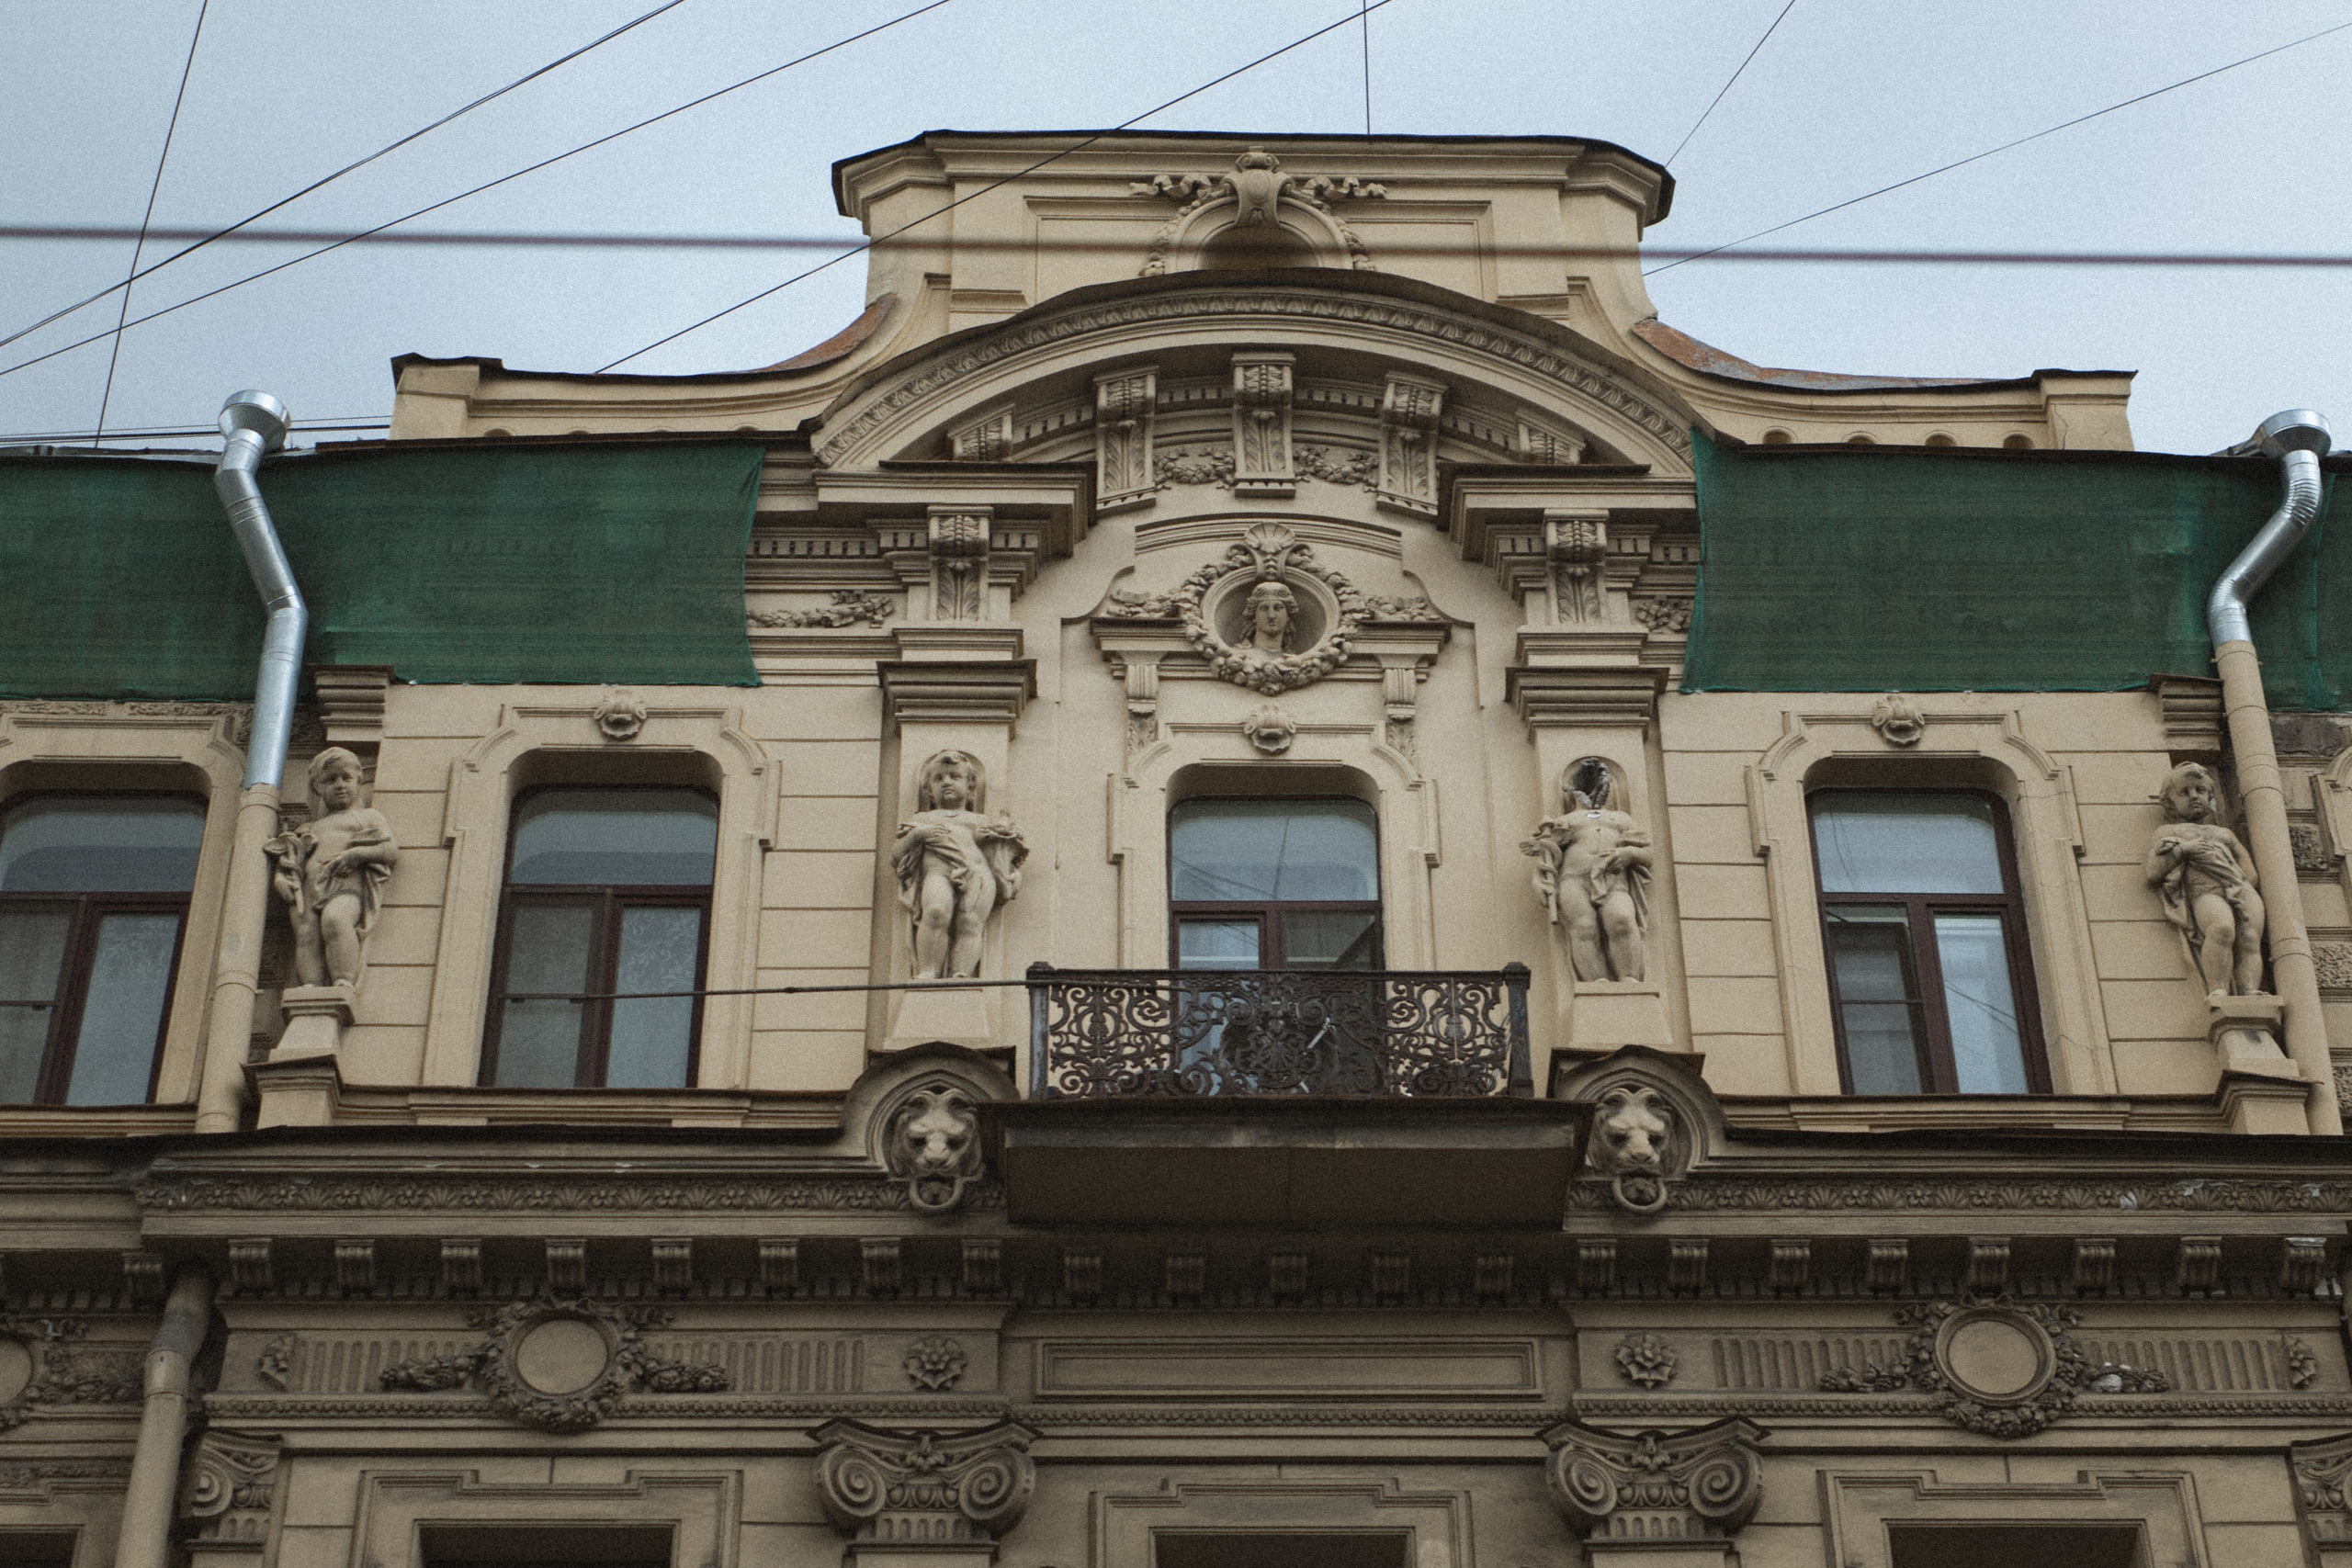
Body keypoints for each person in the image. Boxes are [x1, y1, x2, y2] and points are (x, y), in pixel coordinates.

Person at [265, 747, 400, 988]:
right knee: (307, 935)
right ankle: (311, 986)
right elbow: (290, 860)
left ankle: (342, 980)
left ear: (358, 780)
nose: (339, 785)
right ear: (318, 788)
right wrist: (281, 879)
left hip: (345, 885)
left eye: (345, 778)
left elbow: (390, 852)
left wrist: (356, 855)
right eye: (330, 780)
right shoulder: (310, 827)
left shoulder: (368, 817)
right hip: (306, 890)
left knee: (336, 920)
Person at [891, 750, 1028, 980]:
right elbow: (896, 856)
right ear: (928, 789)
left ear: (970, 786)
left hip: (978, 873)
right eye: (939, 778)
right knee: (935, 912)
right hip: (937, 872)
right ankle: (928, 971)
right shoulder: (923, 819)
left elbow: (1001, 848)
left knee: (971, 922)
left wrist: (1006, 836)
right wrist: (919, 835)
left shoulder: (980, 821)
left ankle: (961, 972)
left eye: (954, 777)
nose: (946, 782)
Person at [1523, 763, 1652, 983]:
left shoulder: (1620, 818)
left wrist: (1629, 853)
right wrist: (1539, 880)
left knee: (1621, 919)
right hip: (1573, 880)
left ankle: (1629, 978)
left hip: (1612, 878)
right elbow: (1547, 859)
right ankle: (1596, 981)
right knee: (1583, 927)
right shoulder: (1564, 821)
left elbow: (1647, 854)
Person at [2144, 761, 2265, 996]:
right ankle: (2218, 989)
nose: (2194, 796)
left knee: (2249, 940)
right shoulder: (2169, 832)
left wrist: (2242, 889)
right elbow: (2153, 872)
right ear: (2170, 800)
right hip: (2204, 890)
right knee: (2221, 929)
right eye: (2184, 792)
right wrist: (2184, 851)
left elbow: (2249, 870)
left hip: (2239, 888)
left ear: (2210, 795)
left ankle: (2249, 990)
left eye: (2200, 791)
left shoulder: (2224, 833)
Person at [1241, 579, 1297, 655]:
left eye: (1278, 608)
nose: (1271, 615)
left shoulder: (1294, 660)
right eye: (1264, 608)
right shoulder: (1239, 657)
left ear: (1288, 616)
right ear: (1254, 616)